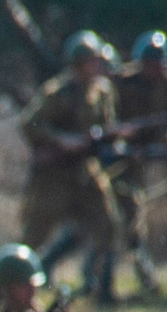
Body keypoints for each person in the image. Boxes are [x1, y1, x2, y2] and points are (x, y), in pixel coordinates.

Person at [18, 31, 120, 284]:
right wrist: (61, 140)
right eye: (94, 60)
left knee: (107, 226)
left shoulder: (102, 93)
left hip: (87, 171)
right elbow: (30, 125)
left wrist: (114, 139)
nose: (99, 65)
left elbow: (106, 130)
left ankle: (101, 288)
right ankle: (13, 280)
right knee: (35, 233)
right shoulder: (58, 93)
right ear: (81, 63)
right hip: (56, 175)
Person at [108, 31, 167, 296]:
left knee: (130, 221)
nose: (155, 69)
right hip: (115, 160)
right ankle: (108, 280)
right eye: (151, 63)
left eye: (160, 64)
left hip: (140, 161)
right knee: (109, 219)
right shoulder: (121, 82)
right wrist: (123, 140)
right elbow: (107, 120)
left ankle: (142, 278)